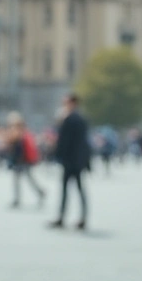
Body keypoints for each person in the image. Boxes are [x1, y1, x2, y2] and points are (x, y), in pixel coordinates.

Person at [49, 93, 91, 230]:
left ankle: (63, 218)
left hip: (70, 160)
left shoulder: (70, 119)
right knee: (77, 189)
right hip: (78, 160)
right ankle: (82, 218)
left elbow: (64, 141)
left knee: (69, 189)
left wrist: (58, 156)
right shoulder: (81, 119)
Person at [5, 112, 45, 208]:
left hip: (21, 161)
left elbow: (14, 145)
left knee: (21, 179)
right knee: (27, 178)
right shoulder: (24, 132)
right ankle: (39, 192)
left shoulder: (18, 132)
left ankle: (19, 199)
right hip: (24, 161)